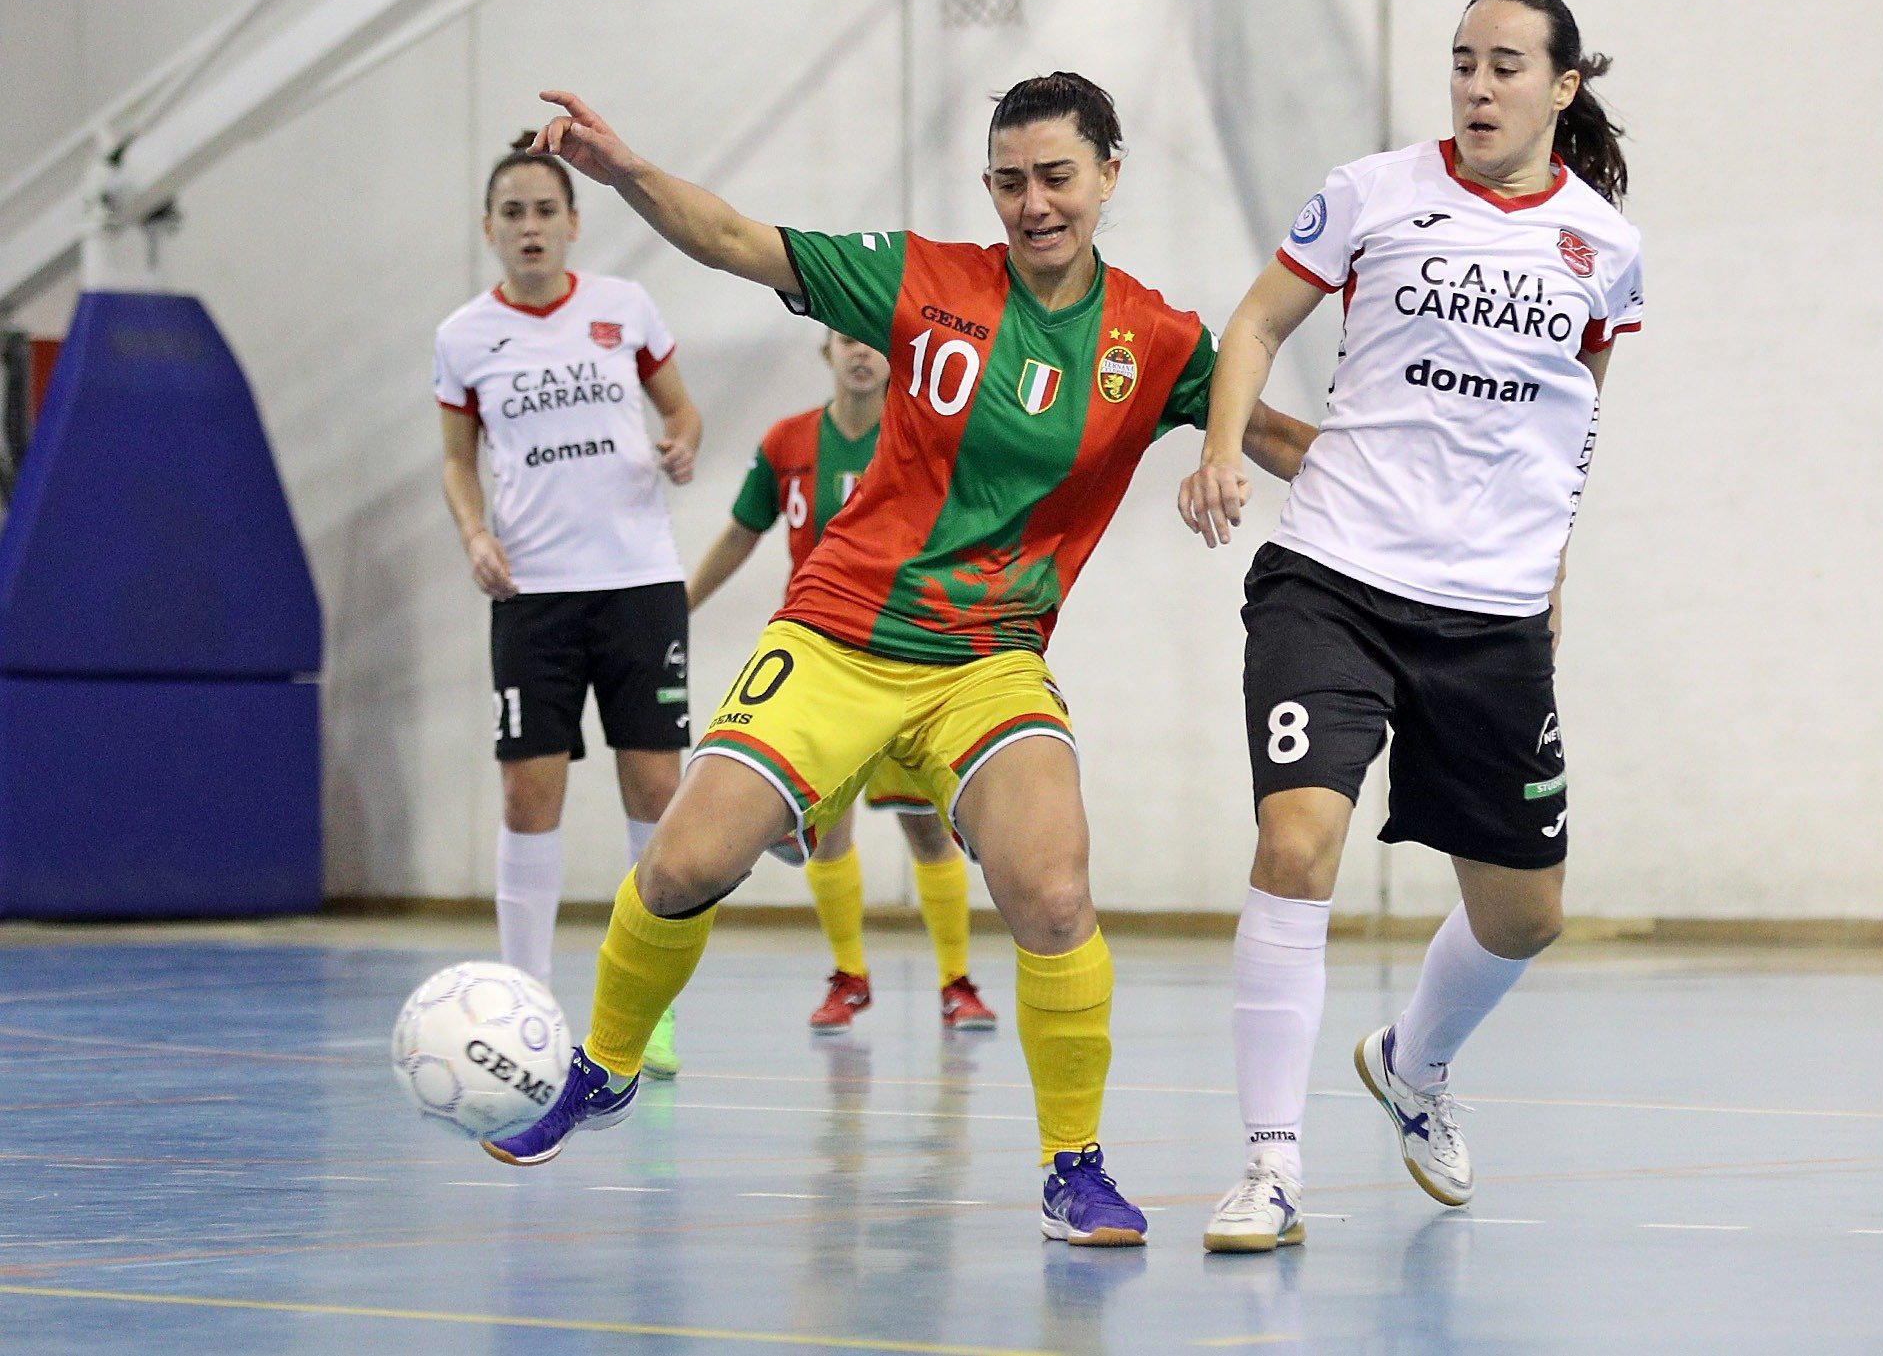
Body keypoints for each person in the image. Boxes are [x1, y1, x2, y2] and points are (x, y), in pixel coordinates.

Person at [482, 73, 1316, 1249]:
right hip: (837, 634)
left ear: (1108, 176)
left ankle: (1072, 1166)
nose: (1033, 204)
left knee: (1055, 892)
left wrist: (1437, 493)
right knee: (680, 864)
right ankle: (606, 1065)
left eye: (1057, 177)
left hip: (990, 661)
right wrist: (620, 172)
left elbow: (1278, 437)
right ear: (989, 188)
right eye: (1011, 181)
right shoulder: (923, 279)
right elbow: (729, 238)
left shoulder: (1151, 338)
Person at [1178, 0, 1644, 1252]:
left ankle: (1411, 1061)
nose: (1477, 88)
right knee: (1297, 845)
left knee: (1523, 915)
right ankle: (1269, 1168)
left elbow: (1572, 423)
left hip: (1487, 618)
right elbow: (1255, 324)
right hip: (1331, 580)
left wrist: (1549, 576)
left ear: (1559, 89)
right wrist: (1223, 447)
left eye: (1505, 68)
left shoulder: (1602, 246)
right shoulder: (1372, 192)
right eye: (1460, 65)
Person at [435, 134, 705, 1081]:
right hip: (534, 593)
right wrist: (476, 535)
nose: (531, 226)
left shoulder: (623, 310)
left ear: (573, 223)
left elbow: (684, 414)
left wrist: (681, 442)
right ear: (490, 229)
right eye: (512, 212)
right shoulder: (465, 336)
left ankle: (648, 1010)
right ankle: (525, 1007)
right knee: (527, 788)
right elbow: (457, 459)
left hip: (636, 582)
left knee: (655, 790)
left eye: (545, 210)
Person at [687, 330, 998, 1034]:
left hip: (910, 656)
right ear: (824, 351)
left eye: (873, 341)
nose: (861, 351)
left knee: (929, 831)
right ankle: (849, 974)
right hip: (824, 665)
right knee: (828, 834)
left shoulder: (922, 437)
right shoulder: (788, 443)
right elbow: (742, 531)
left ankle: (957, 980)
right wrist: (680, 604)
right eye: (845, 338)